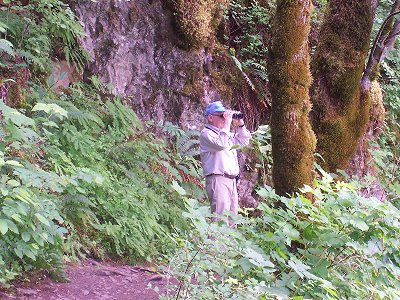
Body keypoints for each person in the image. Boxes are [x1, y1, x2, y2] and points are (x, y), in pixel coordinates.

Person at [199, 101, 251, 225]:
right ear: (211, 118)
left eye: (225, 116)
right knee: (220, 221)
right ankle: (214, 245)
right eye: (221, 116)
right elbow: (221, 144)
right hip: (218, 180)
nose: (224, 119)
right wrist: (228, 123)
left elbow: (243, 142)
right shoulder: (206, 134)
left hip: (231, 181)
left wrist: (240, 124)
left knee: (232, 221)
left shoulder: (225, 135)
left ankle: (230, 245)